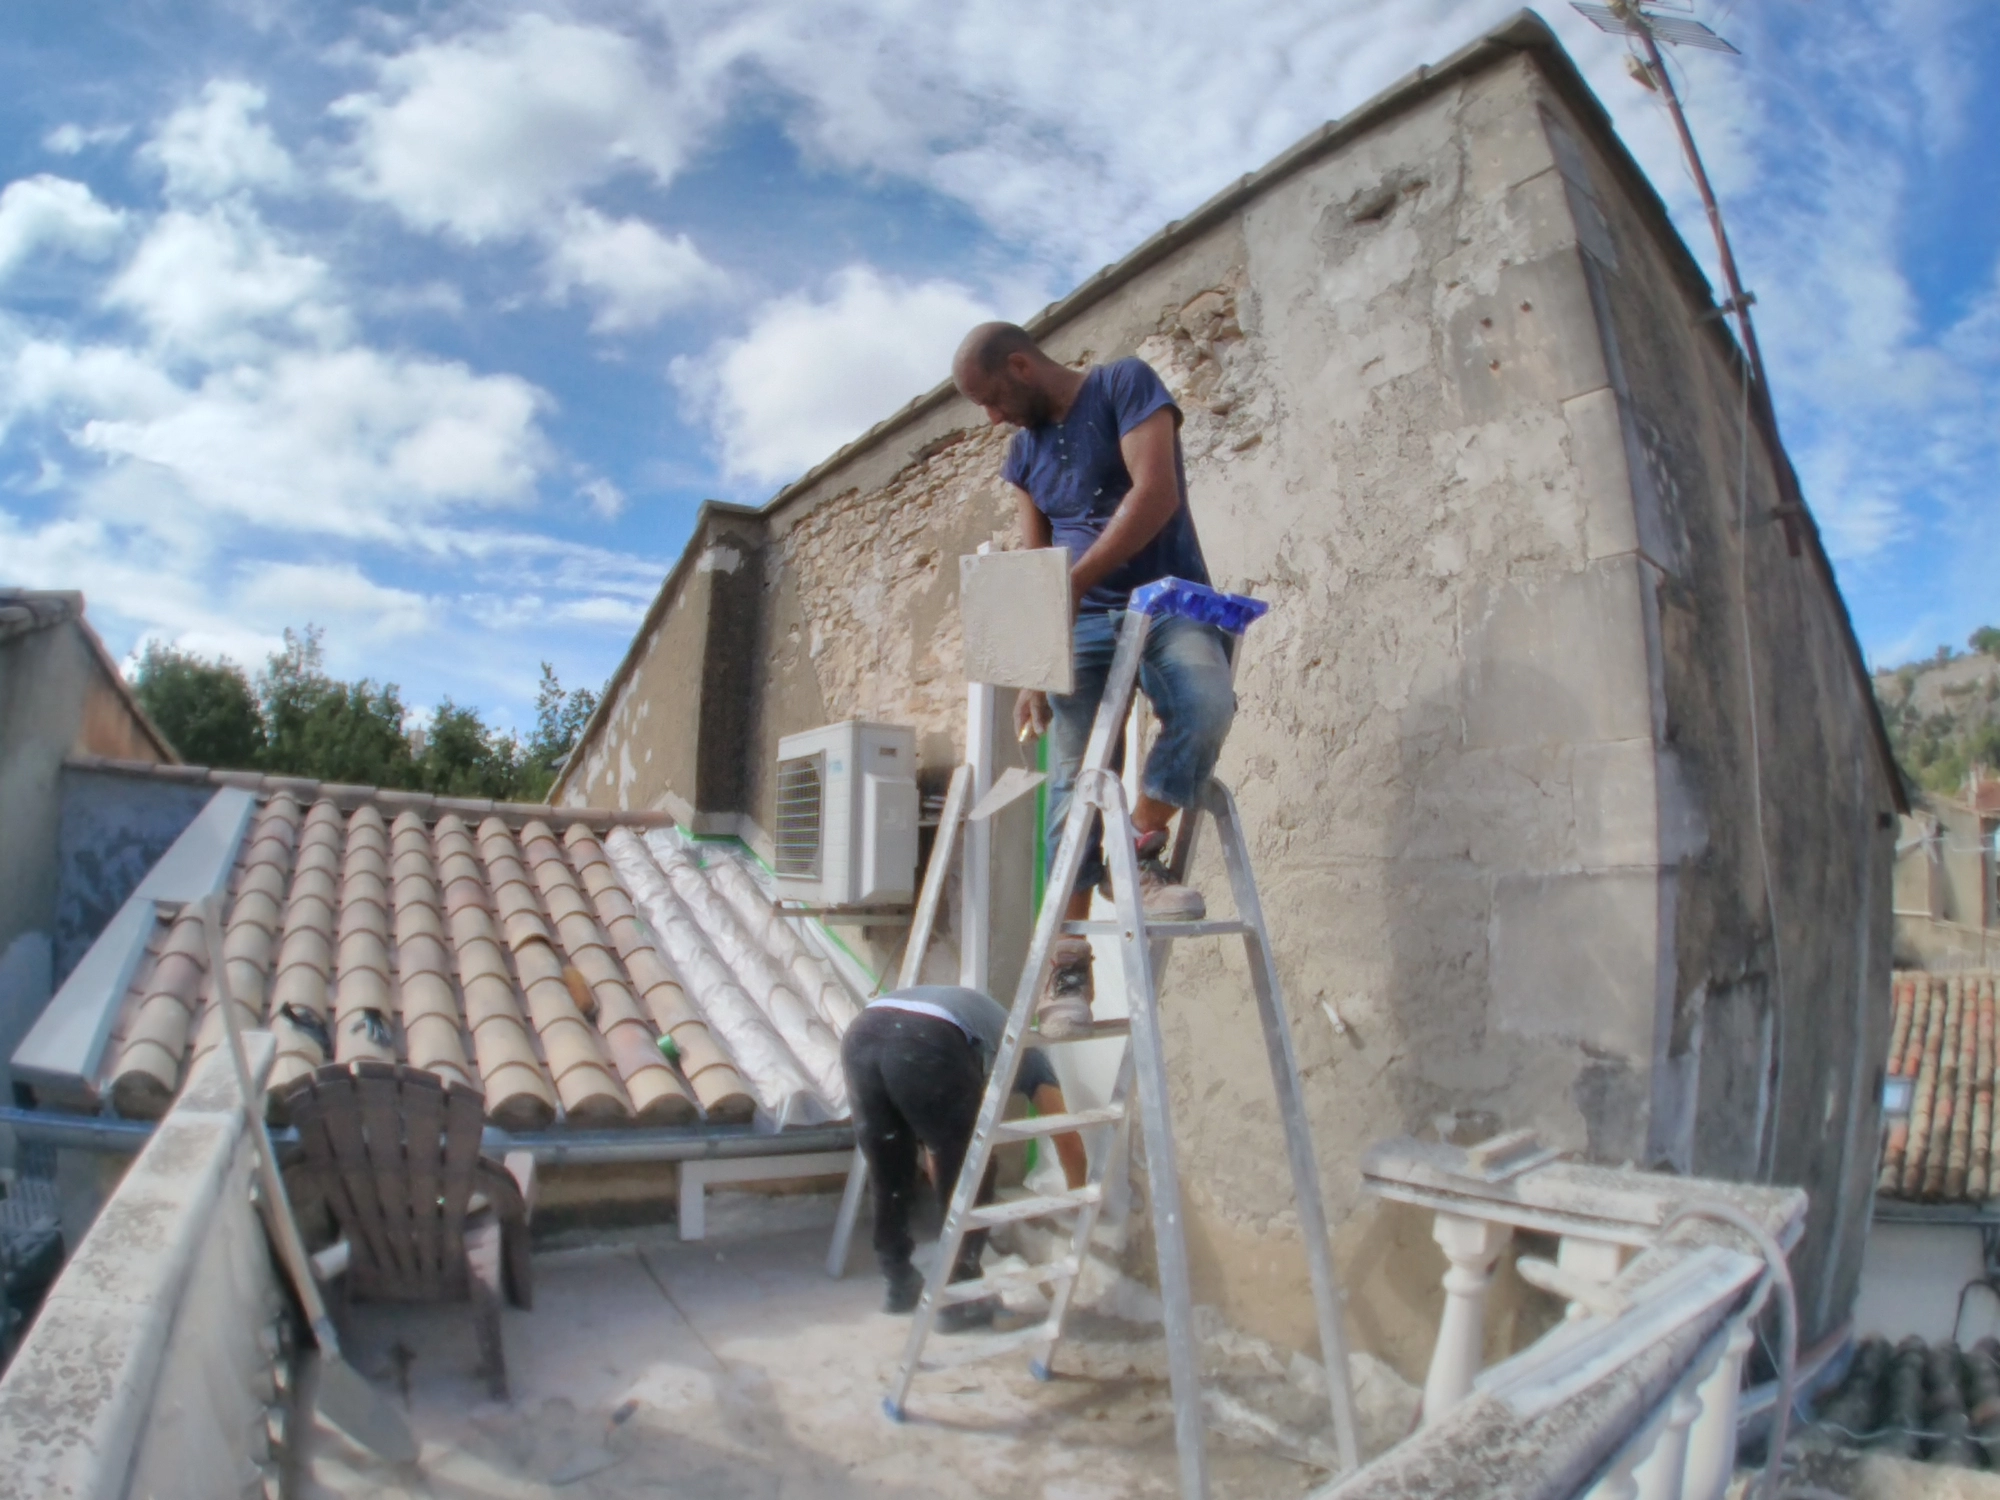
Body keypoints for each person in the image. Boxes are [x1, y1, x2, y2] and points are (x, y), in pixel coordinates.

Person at [951, 323, 1236, 1038]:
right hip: (1079, 626)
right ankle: (1067, 963)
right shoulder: (1024, 453)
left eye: (993, 398)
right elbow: (1032, 560)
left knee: (1206, 704)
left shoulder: (1123, 385)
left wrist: (1074, 585)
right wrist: (1030, 664)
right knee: (1073, 784)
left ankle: (1135, 848)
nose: (992, 418)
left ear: (1020, 365)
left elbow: (1157, 494)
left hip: (1169, 601)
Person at [841, 984, 1087, 1330]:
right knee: (977, 1168)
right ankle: (960, 1296)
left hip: (863, 1032)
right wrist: (1080, 1199)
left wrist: (945, 1164)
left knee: (888, 1166)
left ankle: (898, 1280)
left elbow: (937, 1152)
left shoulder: (985, 1034)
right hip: (926, 1037)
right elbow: (1067, 1135)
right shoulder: (1032, 1059)